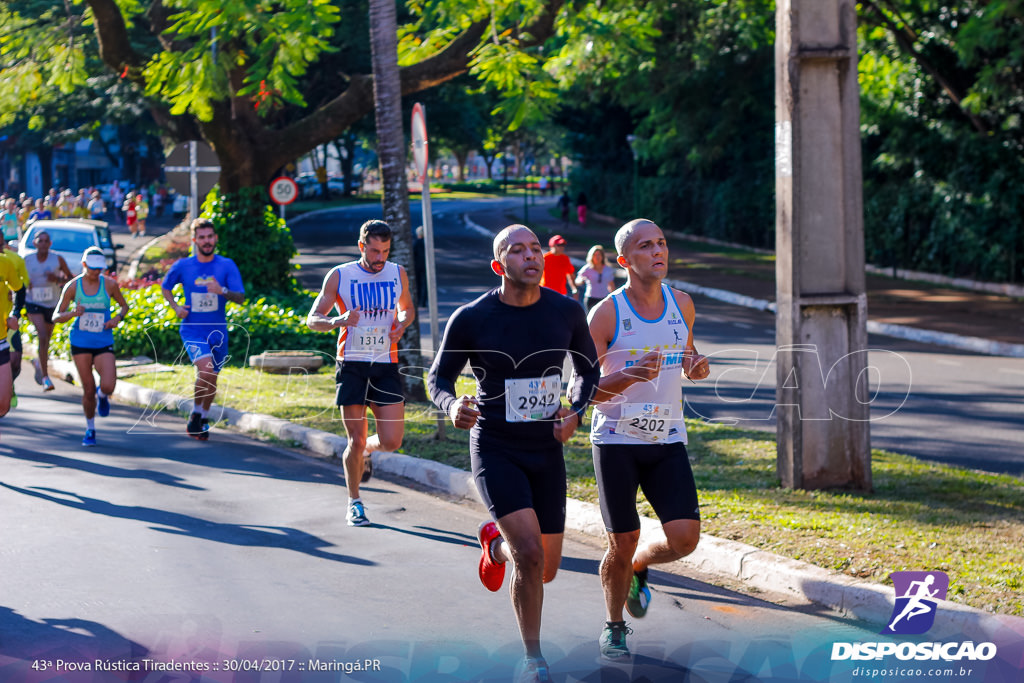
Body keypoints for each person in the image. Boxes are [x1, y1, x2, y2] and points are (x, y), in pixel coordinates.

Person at [427, 224, 599, 683]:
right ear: (498, 265)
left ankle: (494, 546)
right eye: (517, 250)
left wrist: (576, 411)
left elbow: (587, 372)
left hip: (546, 448)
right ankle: (533, 658)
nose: (531, 256)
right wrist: (453, 404)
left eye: (536, 248)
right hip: (495, 444)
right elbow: (437, 379)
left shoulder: (565, 311)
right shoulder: (472, 317)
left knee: (546, 567)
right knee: (530, 555)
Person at [585, 218, 710, 660]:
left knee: (685, 539)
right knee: (621, 542)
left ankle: (641, 565)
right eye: (645, 246)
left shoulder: (683, 304)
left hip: (667, 438)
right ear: (624, 261)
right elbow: (586, 394)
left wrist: (695, 367)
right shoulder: (605, 314)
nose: (658, 251)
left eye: (661, 242)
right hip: (617, 442)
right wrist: (633, 372)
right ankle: (614, 624)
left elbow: (689, 356)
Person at [306, 219, 414, 527]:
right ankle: (354, 502)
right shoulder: (340, 276)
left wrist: (401, 324)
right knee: (355, 439)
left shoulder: (397, 273)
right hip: (351, 364)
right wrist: (338, 321)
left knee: (392, 441)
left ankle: (368, 447)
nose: (380, 258)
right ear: (361, 246)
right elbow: (313, 319)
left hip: (385, 364)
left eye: (386, 251)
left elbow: (406, 307)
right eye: (375, 251)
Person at [161, 218, 245, 440]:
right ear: (195, 240)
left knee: (212, 378)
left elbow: (241, 298)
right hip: (192, 329)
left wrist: (222, 290)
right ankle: (197, 415)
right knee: (206, 370)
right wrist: (176, 307)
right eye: (202, 237)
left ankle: (202, 416)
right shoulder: (183, 266)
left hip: (218, 332)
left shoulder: (226, 265)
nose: (206, 241)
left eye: (210, 237)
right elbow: (166, 287)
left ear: (215, 238)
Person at [52, 247, 130, 446]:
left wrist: (117, 319)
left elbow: (124, 305)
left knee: (108, 384)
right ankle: (90, 429)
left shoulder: (110, 284)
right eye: (93, 268)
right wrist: (72, 313)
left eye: (100, 268)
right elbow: (56, 316)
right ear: (84, 265)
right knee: (87, 390)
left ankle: (103, 395)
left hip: (103, 341)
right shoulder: (73, 286)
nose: (97, 272)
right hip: (81, 342)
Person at [24, 230, 73, 391]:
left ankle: (39, 361)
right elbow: (19, 280)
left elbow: (70, 280)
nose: (43, 244)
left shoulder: (57, 259)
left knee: (47, 339)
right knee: (43, 336)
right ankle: (46, 378)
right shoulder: (28, 260)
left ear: (50, 244)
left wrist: (57, 279)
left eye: (46, 241)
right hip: (33, 302)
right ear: (35, 243)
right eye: (41, 241)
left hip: (52, 304)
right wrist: (26, 284)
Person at [0, 244, 25, 431]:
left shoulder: (6, 263)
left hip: (1, 340)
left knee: (4, 404)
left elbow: (19, 289)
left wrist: (15, 314)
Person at [576, 244, 616, 311]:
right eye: (595, 255)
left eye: (599, 255)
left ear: (602, 256)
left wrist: (614, 297)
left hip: (604, 298)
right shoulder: (587, 269)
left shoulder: (608, 269)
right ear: (591, 257)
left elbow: (611, 285)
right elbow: (577, 280)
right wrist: (580, 280)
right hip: (591, 298)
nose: (597, 257)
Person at [539, 234, 577, 300]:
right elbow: (536, 274)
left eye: (563, 245)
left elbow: (570, 275)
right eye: (559, 245)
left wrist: (574, 289)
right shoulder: (545, 258)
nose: (562, 247)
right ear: (552, 245)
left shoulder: (565, 259)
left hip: (561, 293)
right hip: (545, 292)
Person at [413, 225, 427, 308]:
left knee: (418, 284)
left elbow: (414, 254)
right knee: (425, 284)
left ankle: (418, 301)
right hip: (425, 265)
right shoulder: (427, 243)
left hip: (417, 266)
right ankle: (424, 302)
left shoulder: (416, 242)